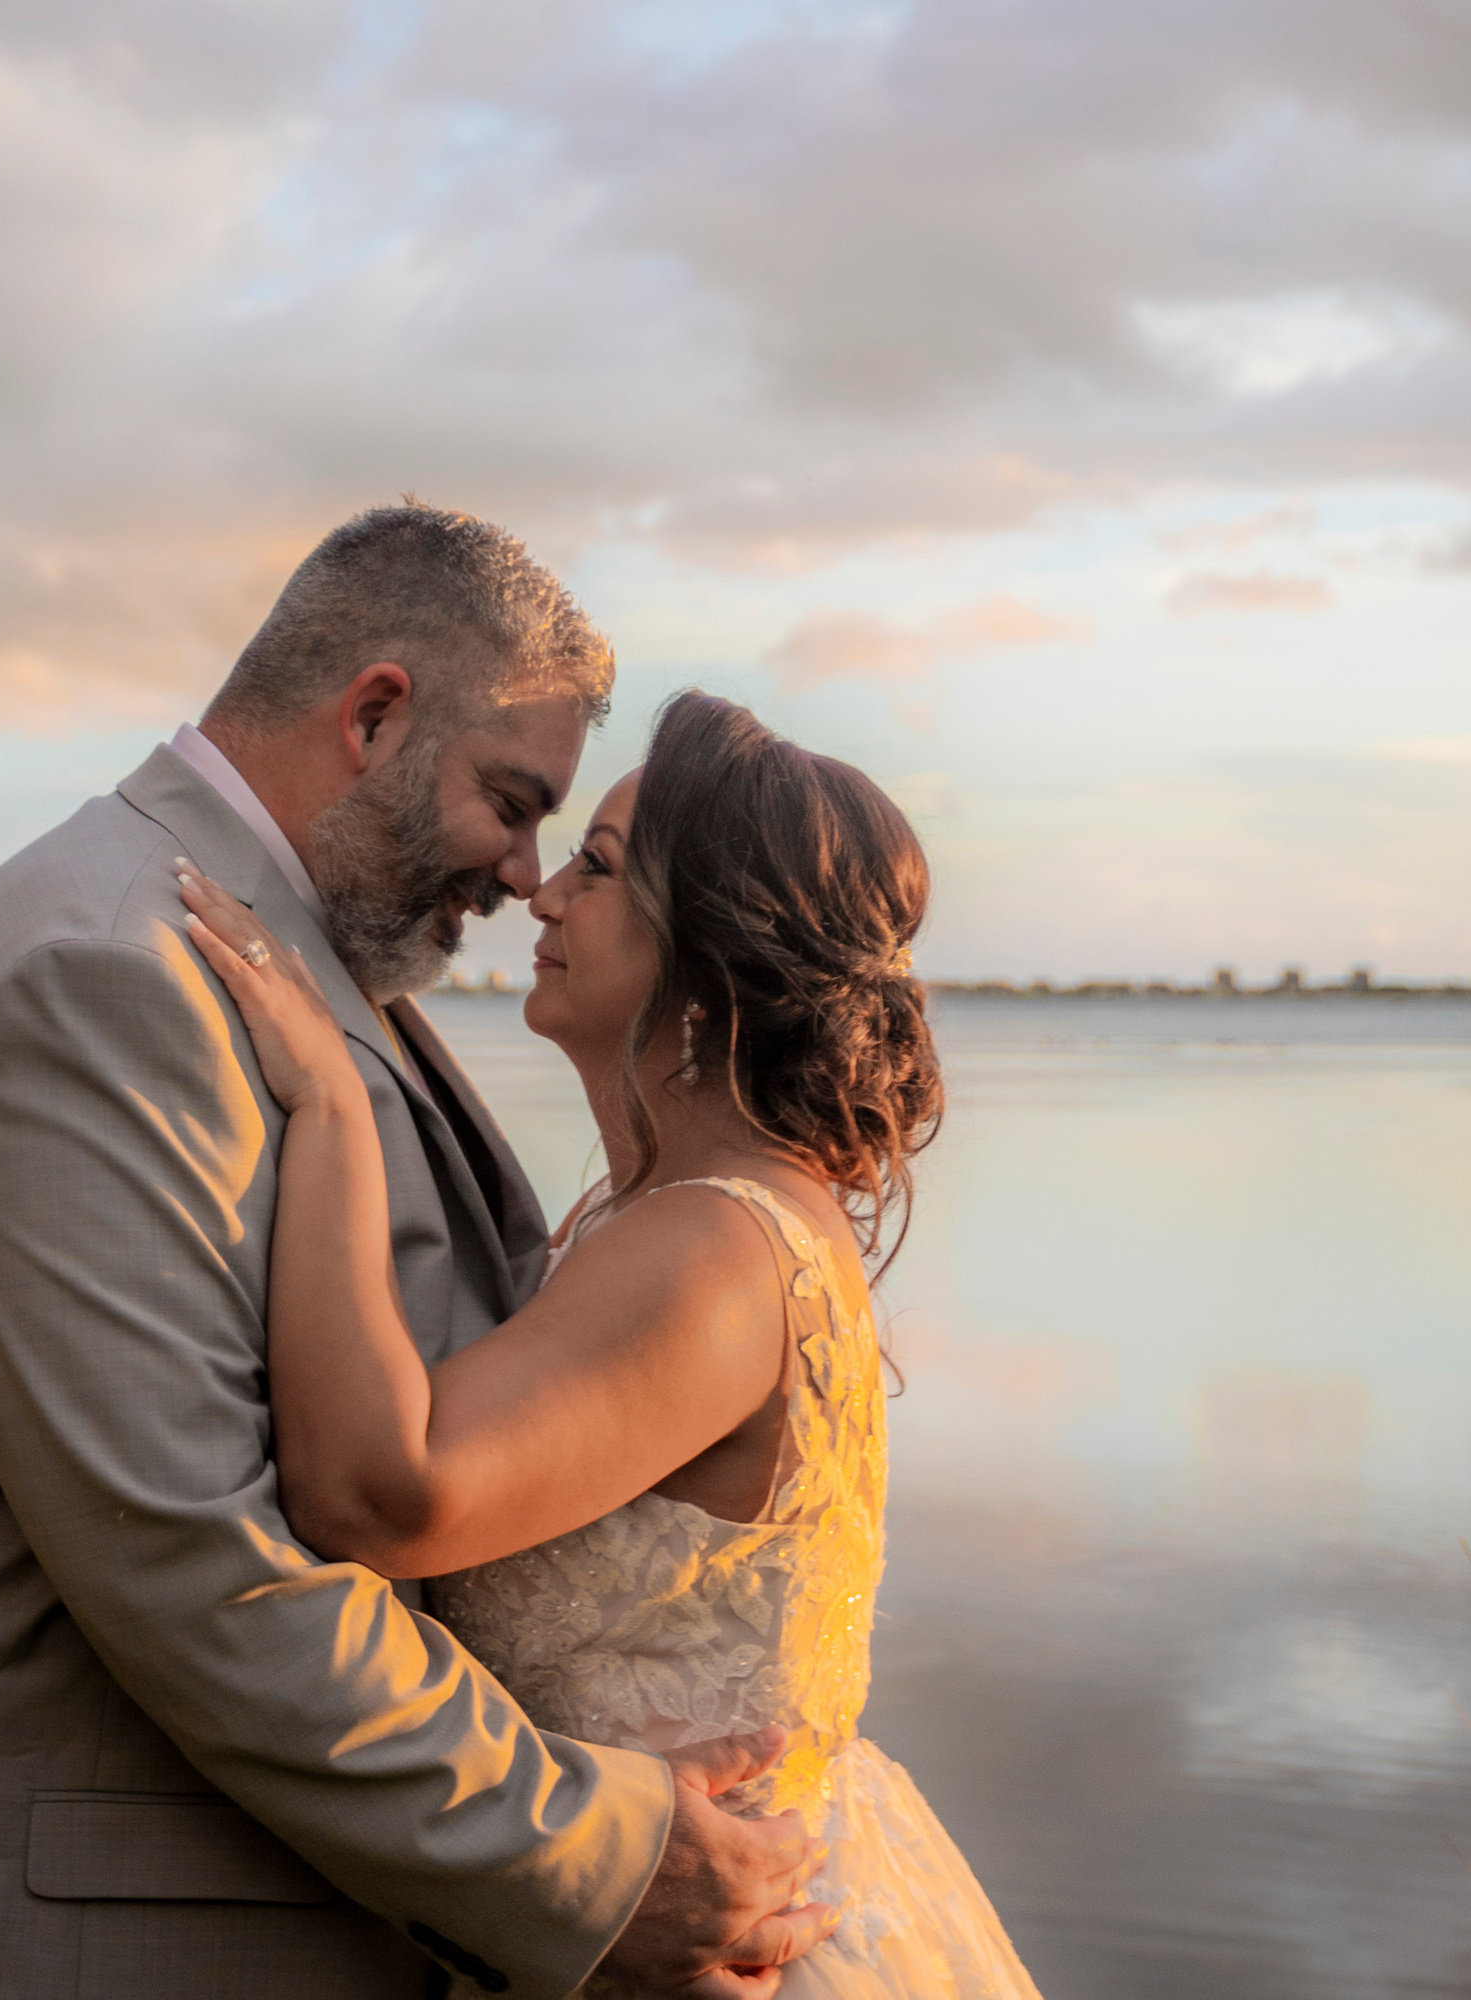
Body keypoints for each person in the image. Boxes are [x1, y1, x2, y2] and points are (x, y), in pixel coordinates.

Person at [0, 505, 833, 2000]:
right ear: (375, 715)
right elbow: (202, 1567)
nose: (526, 875)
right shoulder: (107, 976)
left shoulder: (268, 955)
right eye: (511, 800)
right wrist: (598, 1863)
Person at [181, 685, 1045, 2000]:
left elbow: (380, 1491)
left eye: (597, 866)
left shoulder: (714, 1245)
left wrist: (330, 1114)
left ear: (708, 956)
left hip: (710, 1945)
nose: (543, 897)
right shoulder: (713, 1214)